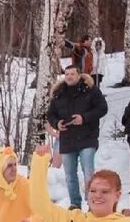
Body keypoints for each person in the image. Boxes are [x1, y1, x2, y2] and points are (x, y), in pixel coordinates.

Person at [46, 66, 108, 209]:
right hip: (67, 139)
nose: (69, 76)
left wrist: (84, 118)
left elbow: (103, 108)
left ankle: (92, 203)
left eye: (72, 74)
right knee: (69, 175)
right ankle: (75, 204)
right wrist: (57, 123)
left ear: (79, 75)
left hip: (87, 137)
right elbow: (51, 114)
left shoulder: (90, 89)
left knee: (88, 172)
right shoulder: (58, 93)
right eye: (67, 74)